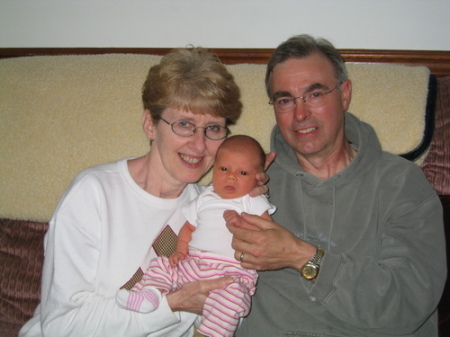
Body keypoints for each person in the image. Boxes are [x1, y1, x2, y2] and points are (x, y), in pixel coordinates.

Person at [19, 48, 271, 337]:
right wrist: (172, 305)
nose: (199, 145)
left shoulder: (209, 209)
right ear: (150, 125)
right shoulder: (95, 193)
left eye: (213, 128)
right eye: (184, 124)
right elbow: (61, 326)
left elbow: (228, 308)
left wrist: (248, 197)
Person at [226, 34, 447, 337]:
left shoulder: (400, 184)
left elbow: (406, 303)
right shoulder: (253, 181)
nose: (300, 114)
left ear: (344, 94)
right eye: (285, 99)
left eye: (315, 95)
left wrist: (302, 256)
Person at [116, 135, 276, 337]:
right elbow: (188, 228)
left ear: (257, 178)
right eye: (224, 169)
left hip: (231, 272)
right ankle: (149, 295)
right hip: (193, 264)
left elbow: (269, 233)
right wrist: (180, 251)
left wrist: (246, 225)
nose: (231, 177)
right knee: (163, 265)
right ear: (214, 169)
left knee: (233, 296)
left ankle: (210, 333)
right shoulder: (205, 198)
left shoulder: (252, 201)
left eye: (242, 172)